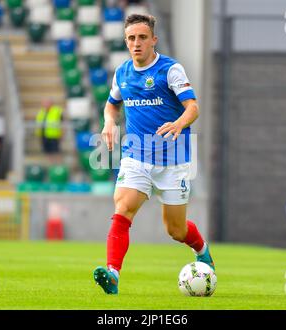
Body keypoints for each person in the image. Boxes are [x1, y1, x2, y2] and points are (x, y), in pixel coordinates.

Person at [93, 14, 215, 294]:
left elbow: (193, 107)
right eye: (131, 38)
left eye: (142, 37)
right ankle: (113, 275)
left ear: (153, 40)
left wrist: (179, 123)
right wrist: (109, 122)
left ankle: (202, 249)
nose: (136, 43)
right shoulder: (122, 73)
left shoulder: (170, 70)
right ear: (126, 42)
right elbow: (112, 105)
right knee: (123, 207)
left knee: (176, 230)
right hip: (136, 156)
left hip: (174, 161)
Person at [35, 98, 63, 164]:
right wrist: (38, 135)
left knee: (55, 152)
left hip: (54, 136)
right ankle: (51, 165)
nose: (45, 105)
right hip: (44, 135)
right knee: (47, 152)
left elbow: (62, 124)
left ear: (51, 104)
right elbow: (38, 123)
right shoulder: (41, 112)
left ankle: (58, 165)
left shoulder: (57, 111)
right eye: (44, 103)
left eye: (47, 103)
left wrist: (61, 134)